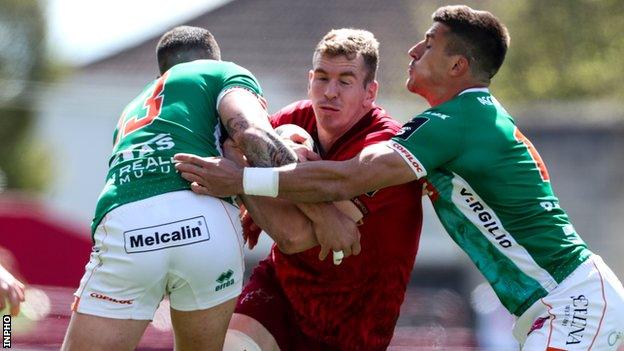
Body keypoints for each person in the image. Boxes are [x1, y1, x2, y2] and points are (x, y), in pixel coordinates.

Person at [174, 6, 624, 351]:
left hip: (573, 299)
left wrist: (244, 181)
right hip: (549, 305)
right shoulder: (451, 121)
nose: (412, 50)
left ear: (457, 67)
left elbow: (347, 181)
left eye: (428, 44)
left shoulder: (458, 121)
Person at [61, 26, 353, 351]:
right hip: (206, 226)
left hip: (130, 224)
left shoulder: (133, 108)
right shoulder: (223, 73)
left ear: (163, 70)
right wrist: (325, 214)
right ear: (213, 58)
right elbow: (252, 133)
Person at [218, 29, 423, 351]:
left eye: (345, 81)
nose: (330, 92)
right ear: (310, 79)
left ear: (370, 92)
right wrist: (280, 146)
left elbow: (294, 235)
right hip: (282, 288)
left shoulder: (384, 147)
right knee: (232, 345)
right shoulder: (295, 117)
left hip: (356, 314)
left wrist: (257, 172)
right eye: (322, 78)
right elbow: (236, 142)